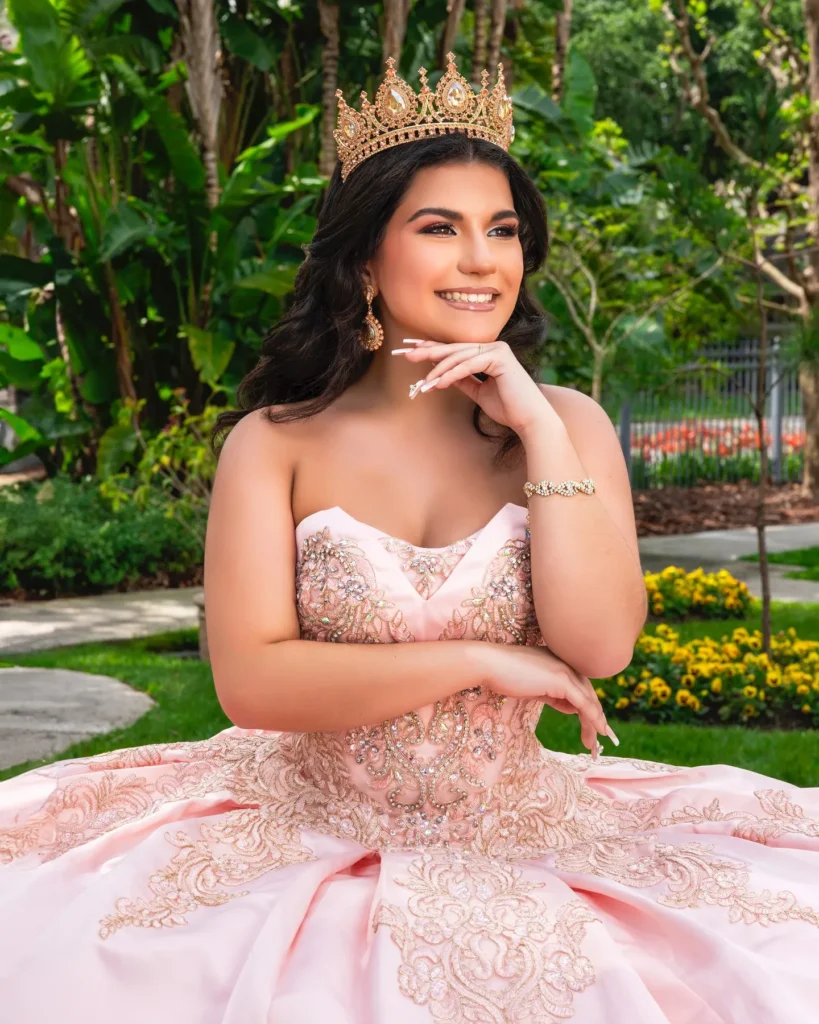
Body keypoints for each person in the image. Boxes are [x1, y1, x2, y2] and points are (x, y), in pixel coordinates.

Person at [1, 51, 818, 1024]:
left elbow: (600, 644)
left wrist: (540, 427)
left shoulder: (571, 425)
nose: (483, 261)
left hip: (525, 831)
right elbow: (253, 683)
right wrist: (480, 658)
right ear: (363, 262)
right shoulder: (274, 445)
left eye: (503, 231)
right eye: (440, 229)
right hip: (305, 831)